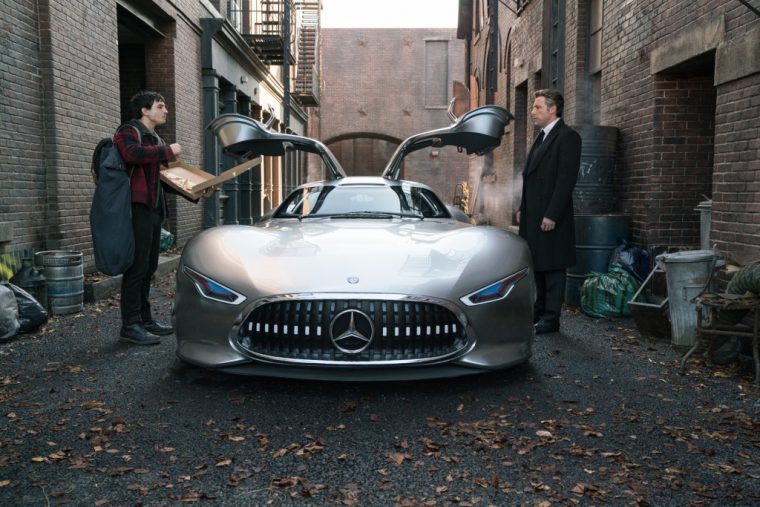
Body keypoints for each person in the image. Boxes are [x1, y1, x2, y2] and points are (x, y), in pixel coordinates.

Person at [113, 91, 205, 345]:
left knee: (149, 266)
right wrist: (167, 150)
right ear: (145, 110)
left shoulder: (153, 138)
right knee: (137, 267)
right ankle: (129, 325)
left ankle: (144, 319)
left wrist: (199, 188)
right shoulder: (128, 131)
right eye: (160, 106)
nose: (165, 111)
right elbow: (131, 154)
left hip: (154, 210)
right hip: (137, 209)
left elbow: (163, 178)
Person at [517, 89, 581, 334]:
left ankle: (551, 318)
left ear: (553, 109)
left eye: (537, 107)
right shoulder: (542, 137)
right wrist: (522, 208)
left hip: (551, 216)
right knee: (539, 265)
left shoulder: (568, 137)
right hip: (534, 214)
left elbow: (566, 180)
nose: (532, 112)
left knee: (553, 267)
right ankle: (539, 312)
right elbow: (530, 178)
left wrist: (552, 214)